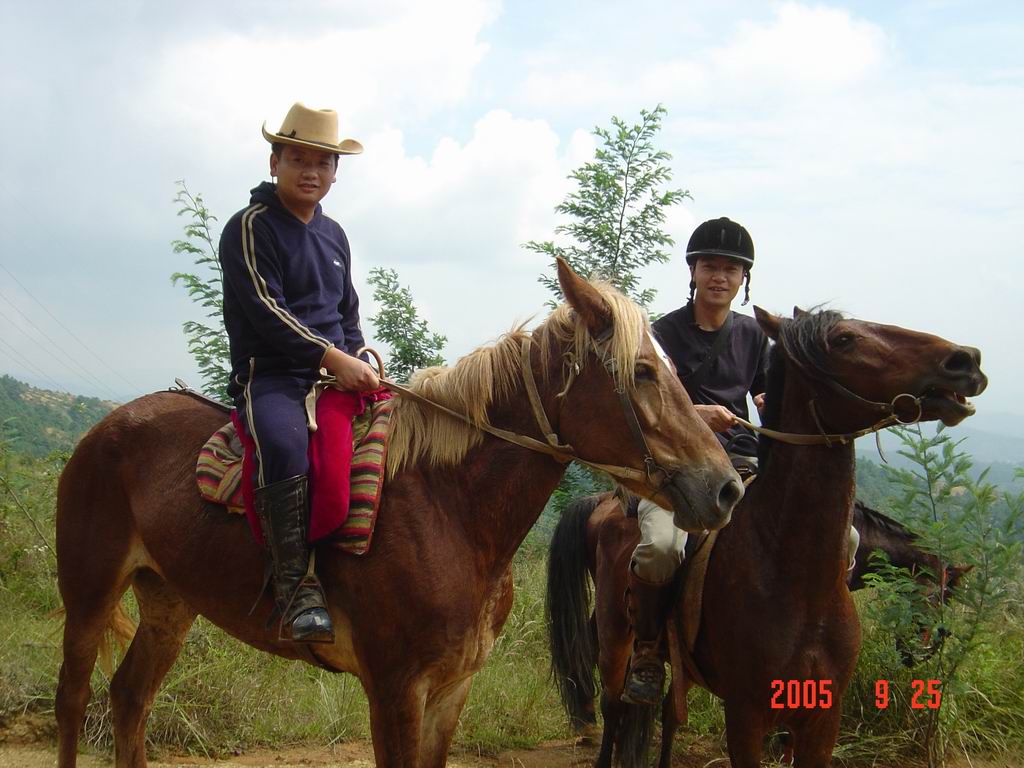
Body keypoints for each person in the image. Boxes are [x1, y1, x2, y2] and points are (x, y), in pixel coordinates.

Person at [219, 102, 379, 644]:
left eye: (324, 163)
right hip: (273, 376)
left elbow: (346, 312)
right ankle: (295, 585)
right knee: (285, 446)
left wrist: (357, 356)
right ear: (274, 163)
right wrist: (335, 359)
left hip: (334, 377)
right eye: (298, 159)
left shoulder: (335, 235)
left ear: (335, 173)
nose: (311, 172)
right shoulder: (248, 228)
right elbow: (266, 311)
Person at [621, 216, 769, 705]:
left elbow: (768, 393)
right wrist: (697, 413)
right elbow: (645, 404)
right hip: (674, 467)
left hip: (740, 464)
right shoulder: (660, 334)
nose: (720, 277)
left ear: (743, 279)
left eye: (731, 269)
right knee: (663, 546)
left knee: (836, 537)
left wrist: (773, 404)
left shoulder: (753, 337)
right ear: (693, 271)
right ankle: (646, 651)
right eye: (710, 266)